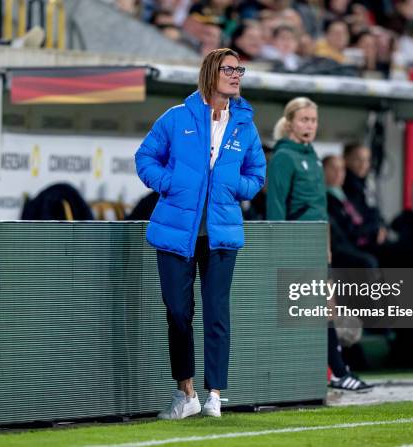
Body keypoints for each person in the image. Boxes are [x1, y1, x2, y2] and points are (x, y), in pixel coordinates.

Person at [134, 48, 266, 419]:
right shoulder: (177, 118)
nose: (236, 74)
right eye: (229, 69)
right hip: (176, 232)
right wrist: (170, 183)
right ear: (211, 73)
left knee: (216, 314)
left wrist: (231, 187)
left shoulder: (245, 125)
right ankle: (185, 393)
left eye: (239, 69)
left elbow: (257, 175)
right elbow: (145, 157)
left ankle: (214, 395)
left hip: (221, 234)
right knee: (178, 312)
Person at [266, 97, 371, 391]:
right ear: (289, 123)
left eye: (313, 120)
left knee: (321, 309)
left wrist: (325, 246)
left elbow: (320, 207)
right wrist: (279, 250)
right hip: (295, 244)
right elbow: (276, 208)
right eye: (303, 120)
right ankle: (334, 371)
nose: (309, 125)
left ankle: (333, 371)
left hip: (315, 245)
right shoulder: (283, 158)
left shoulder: (312, 156)